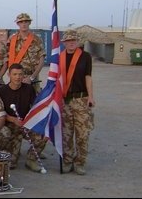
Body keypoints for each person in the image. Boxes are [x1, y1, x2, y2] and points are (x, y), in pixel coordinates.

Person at [0, 63, 47, 172]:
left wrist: (31, 121)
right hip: (9, 124)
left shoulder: (29, 89)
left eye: (20, 74)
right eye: (15, 74)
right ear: (9, 75)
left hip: (24, 123)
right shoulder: (2, 91)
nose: (18, 77)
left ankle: (31, 159)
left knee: (43, 134)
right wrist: (13, 119)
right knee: (11, 164)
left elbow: (34, 108)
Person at [60, 30, 96, 175]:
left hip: (81, 99)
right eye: (68, 40)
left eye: (74, 40)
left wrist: (91, 96)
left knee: (82, 134)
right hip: (65, 100)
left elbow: (88, 77)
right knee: (66, 133)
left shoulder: (85, 56)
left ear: (78, 41)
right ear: (64, 43)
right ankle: (67, 161)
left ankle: (80, 162)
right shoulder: (59, 57)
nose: (71, 42)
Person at [7, 13, 46, 93]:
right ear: (18, 23)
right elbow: (7, 58)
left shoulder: (36, 39)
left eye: (26, 22)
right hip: (15, 78)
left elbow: (41, 60)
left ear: (29, 23)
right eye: (21, 22)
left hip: (31, 77)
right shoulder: (12, 39)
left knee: (33, 103)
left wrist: (32, 77)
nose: (24, 24)